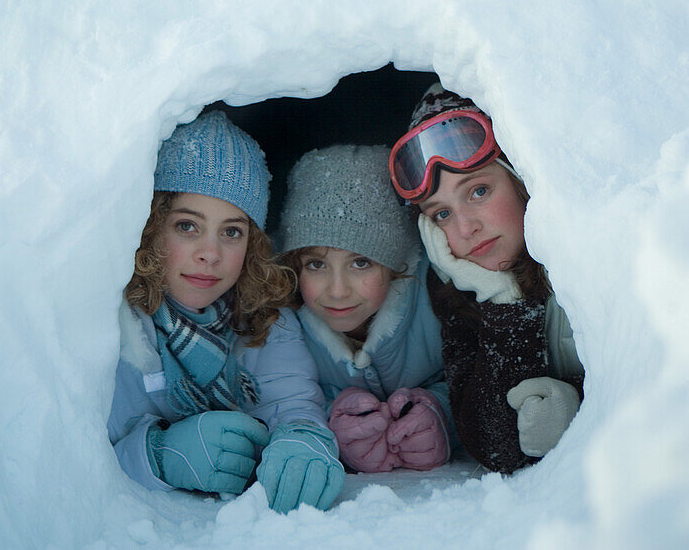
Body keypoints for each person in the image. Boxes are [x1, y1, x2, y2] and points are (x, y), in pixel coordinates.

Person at [108, 110, 344, 513]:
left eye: (232, 232)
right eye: (187, 226)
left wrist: (304, 438)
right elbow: (79, 448)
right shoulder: (114, 325)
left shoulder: (265, 319)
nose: (210, 254)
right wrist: (155, 455)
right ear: (151, 227)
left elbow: (293, 403)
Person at [389, 83, 584, 474]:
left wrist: (582, 408)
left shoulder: (592, 263)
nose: (465, 227)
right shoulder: (458, 291)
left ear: (521, 181)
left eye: (478, 190)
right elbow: (493, 446)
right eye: (441, 214)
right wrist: (503, 301)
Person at [277, 144, 451, 474]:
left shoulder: (436, 301)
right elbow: (279, 401)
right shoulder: (286, 329)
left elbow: (472, 378)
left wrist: (441, 415)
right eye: (316, 264)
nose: (338, 290)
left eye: (361, 262)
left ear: (396, 265)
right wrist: (334, 423)